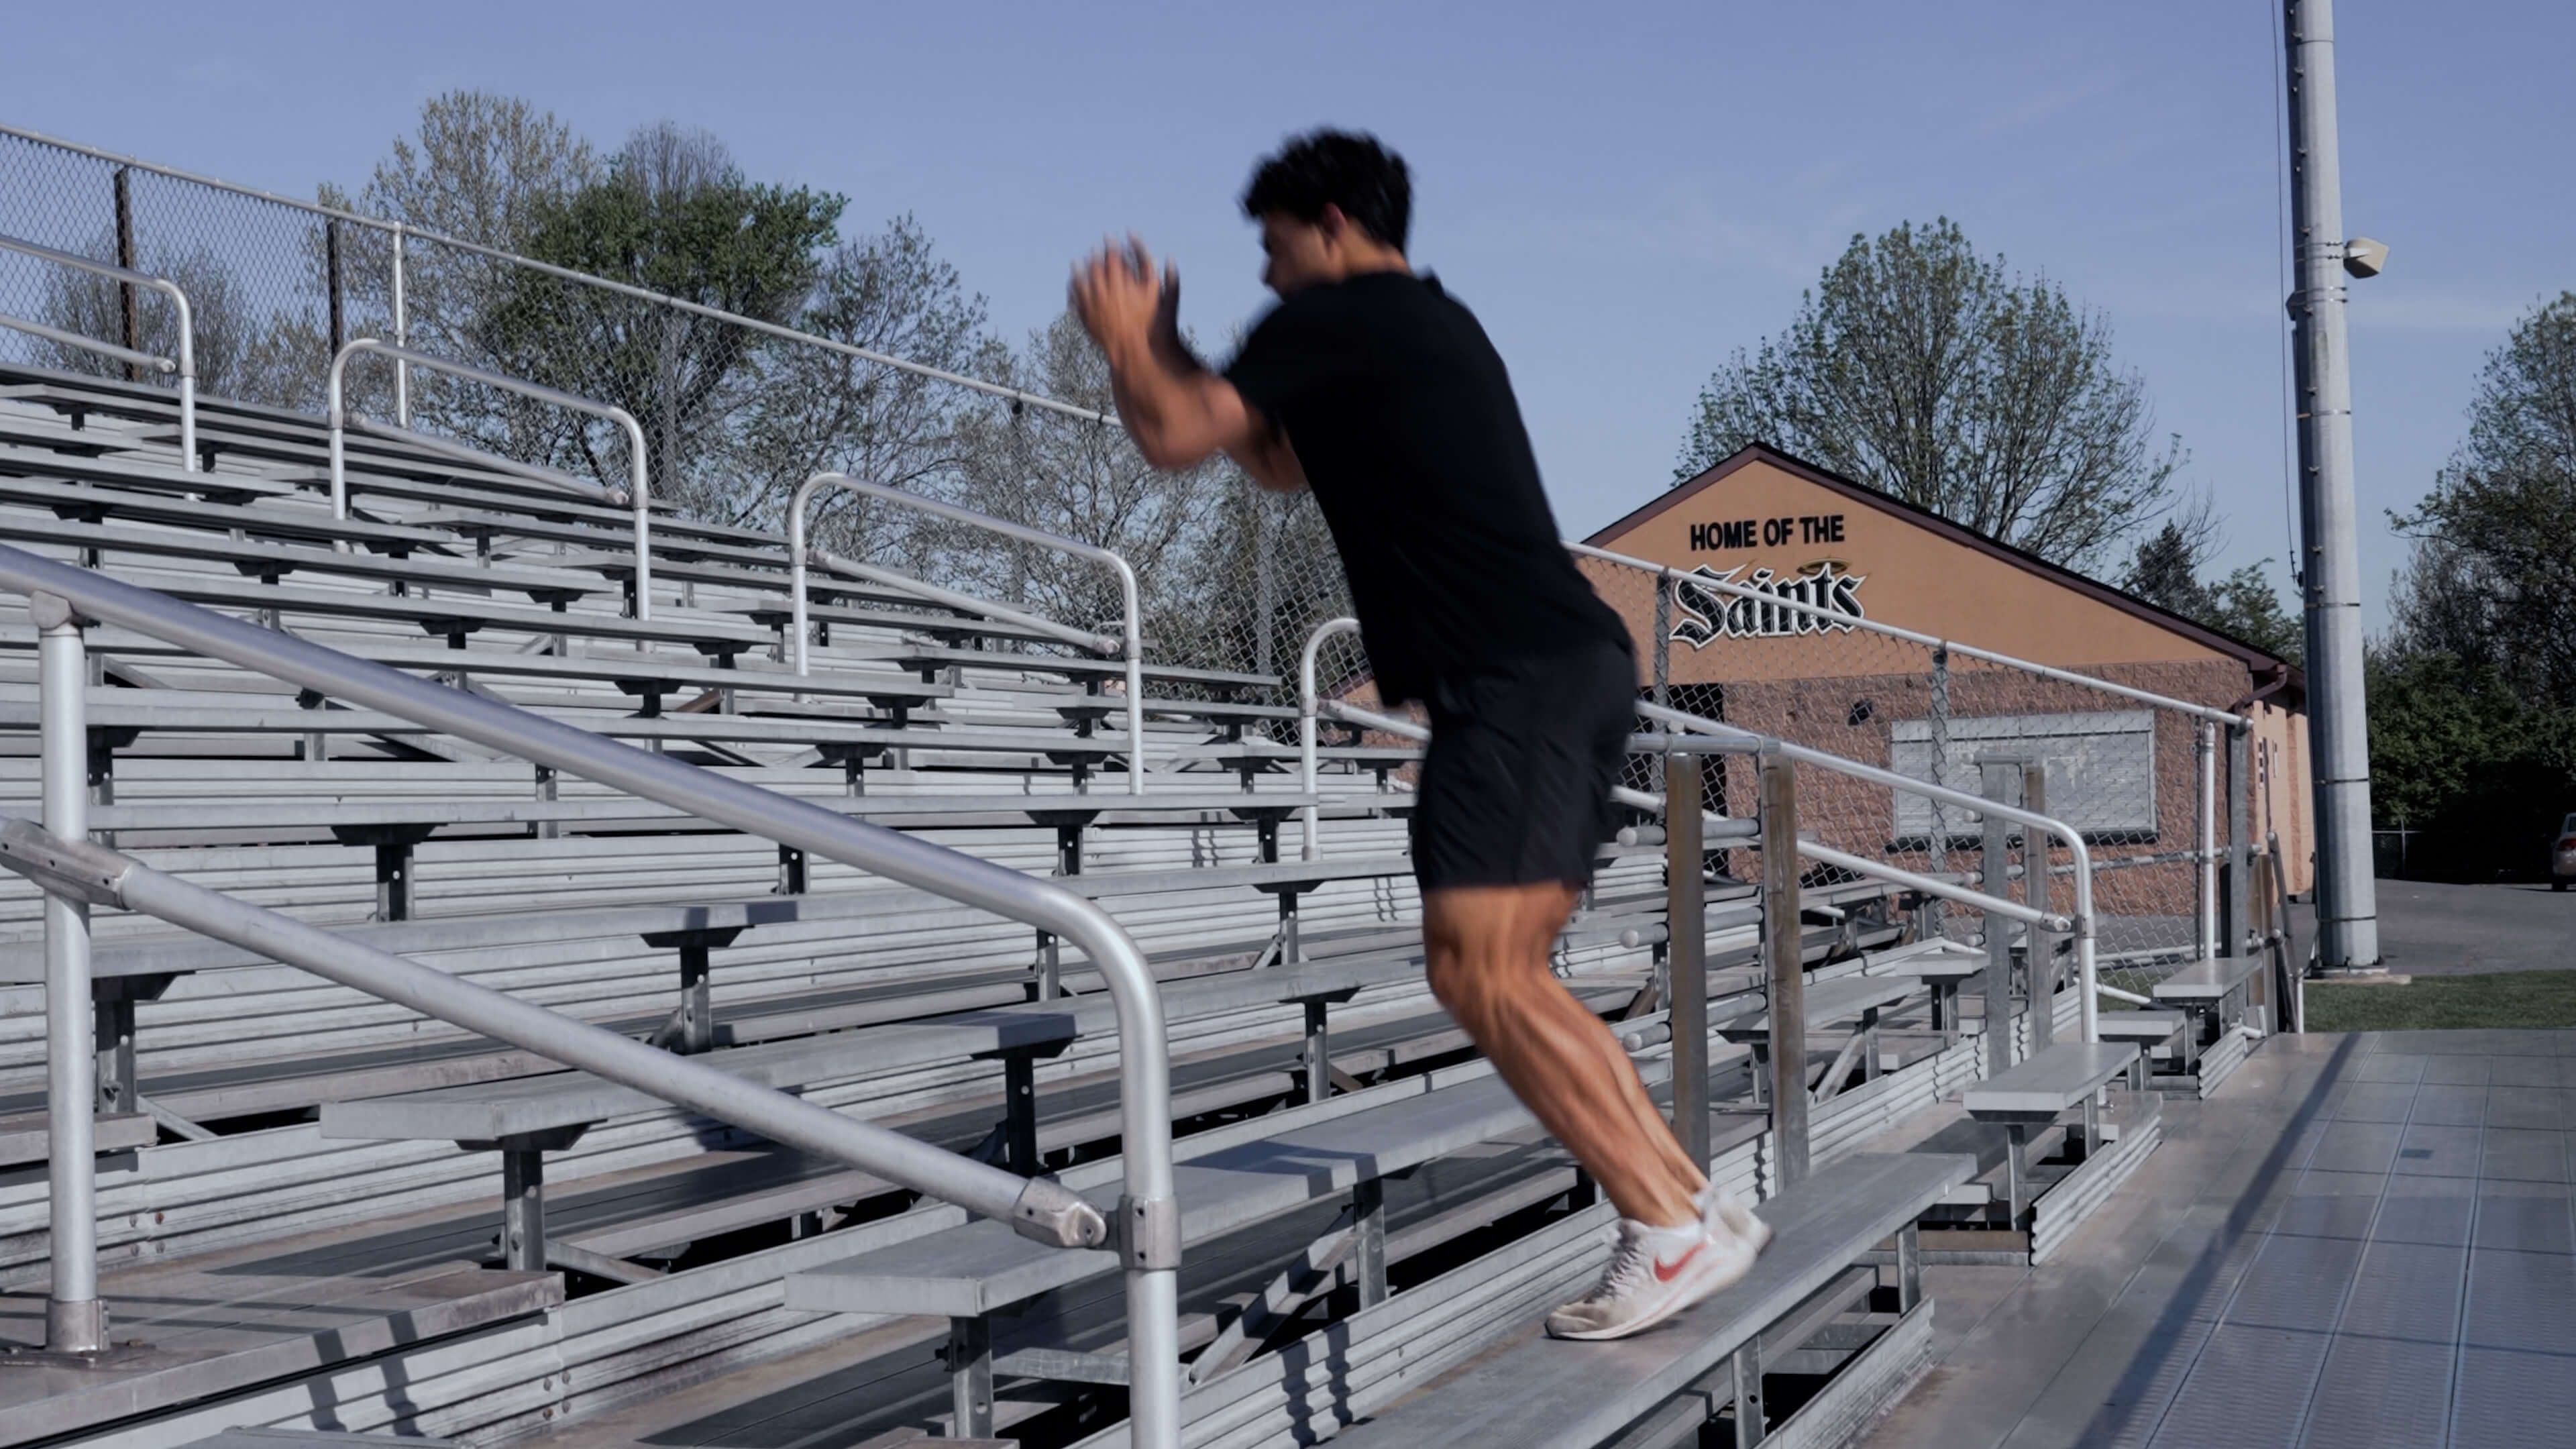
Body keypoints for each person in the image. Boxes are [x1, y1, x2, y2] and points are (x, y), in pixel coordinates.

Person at [1069, 129, 1768, 1340]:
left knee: (1479, 970)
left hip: (1515, 684)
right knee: (1508, 974)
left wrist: (1129, 339)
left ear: (1334, 226)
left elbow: (1175, 437)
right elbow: (1275, 461)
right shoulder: (1416, 326)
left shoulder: (1342, 315)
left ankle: (1664, 1230)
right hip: (1561, 673)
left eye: (1277, 250)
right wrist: (1175, 355)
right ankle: (1694, 1207)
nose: (1270, 278)